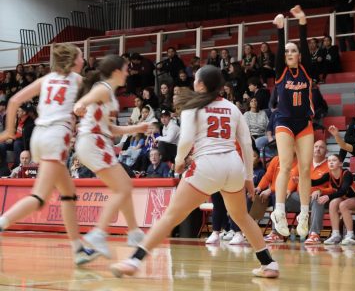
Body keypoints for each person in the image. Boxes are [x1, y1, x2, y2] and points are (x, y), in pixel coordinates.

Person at [110, 65, 280, 278]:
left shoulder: (193, 107)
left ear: (199, 84)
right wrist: (247, 177)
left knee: (170, 216)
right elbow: (246, 144)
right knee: (242, 217)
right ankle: (269, 264)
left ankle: (134, 261)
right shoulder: (232, 107)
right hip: (233, 165)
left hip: (208, 165)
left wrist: (180, 162)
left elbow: (186, 139)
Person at [0, 43, 99, 265]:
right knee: (39, 197)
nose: (83, 60)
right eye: (81, 56)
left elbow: (14, 100)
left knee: (68, 194)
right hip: (56, 137)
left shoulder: (46, 79)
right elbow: (91, 105)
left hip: (38, 136)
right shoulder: (78, 81)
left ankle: (78, 249)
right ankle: (2, 222)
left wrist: (8, 130)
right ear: (73, 61)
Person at [74, 54, 150, 258]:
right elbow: (83, 101)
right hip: (93, 142)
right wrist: (79, 106)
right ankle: (97, 234)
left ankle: (134, 232)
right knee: (124, 187)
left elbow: (111, 128)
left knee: (124, 185)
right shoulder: (104, 88)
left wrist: (137, 127)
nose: (128, 72)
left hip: (96, 141)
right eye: (126, 69)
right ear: (117, 71)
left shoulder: (108, 92)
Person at [269, 5, 315, 239]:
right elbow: (279, 50)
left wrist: (302, 22)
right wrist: (281, 29)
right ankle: (279, 212)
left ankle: (304, 214)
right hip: (284, 122)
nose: (289, 53)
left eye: (293, 50)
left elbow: (305, 46)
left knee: (306, 169)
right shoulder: (280, 71)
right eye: (286, 50)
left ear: (299, 55)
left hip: (304, 122)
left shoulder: (306, 70)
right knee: (286, 165)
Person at [321, 154, 355, 245]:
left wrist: (328, 196)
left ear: (340, 164)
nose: (331, 162)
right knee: (333, 203)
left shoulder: (346, 174)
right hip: (346, 199)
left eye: (334, 160)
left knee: (343, 205)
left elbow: (343, 191)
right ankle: (336, 234)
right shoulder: (329, 175)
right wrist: (301, 179)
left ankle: (350, 234)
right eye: (329, 161)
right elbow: (315, 182)